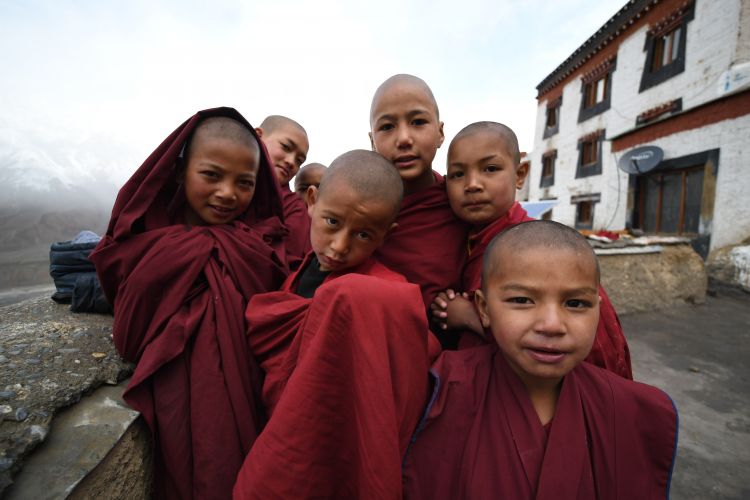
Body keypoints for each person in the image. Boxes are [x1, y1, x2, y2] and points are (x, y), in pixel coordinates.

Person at [90, 108, 288, 500]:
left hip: (251, 396)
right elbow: (129, 333)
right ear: (180, 171)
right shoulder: (149, 240)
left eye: (244, 183)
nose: (228, 193)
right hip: (179, 399)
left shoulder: (257, 245)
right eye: (211, 175)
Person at [403, 220, 679, 499]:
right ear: (484, 309)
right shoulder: (441, 390)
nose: (551, 325)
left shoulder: (632, 411)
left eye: (575, 303)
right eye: (522, 300)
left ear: (598, 309)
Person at [234, 150, 439, 499]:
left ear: (385, 235)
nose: (340, 246)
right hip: (280, 425)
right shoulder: (297, 273)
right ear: (312, 201)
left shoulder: (381, 294)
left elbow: (409, 346)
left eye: (363, 236)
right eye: (332, 222)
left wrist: (347, 296)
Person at [431, 121, 632, 378]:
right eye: (458, 174)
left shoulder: (540, 247)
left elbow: (550, 334)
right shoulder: (468, 237)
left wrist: (469, 316)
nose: (472, 184)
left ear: (520, 174)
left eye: (490, 169)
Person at [369, 74, 469, 348]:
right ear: (371, 141)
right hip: (379, 343)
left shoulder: (465, 201)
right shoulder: (359, 206)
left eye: (418, 122)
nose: (403, 138)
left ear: (440, 132)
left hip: (450, 350)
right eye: (387, 127)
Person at [256, 114, 311, 269]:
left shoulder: (293, 207)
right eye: (286, 147)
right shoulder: (225, 180)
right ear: (258, 136)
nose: (291, 162)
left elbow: (287, 263)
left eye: (299, 160)